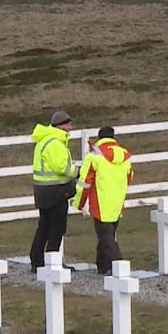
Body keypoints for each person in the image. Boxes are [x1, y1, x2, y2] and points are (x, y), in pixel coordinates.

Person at [73, 126, 133, 275]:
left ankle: (119, 266)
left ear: (99, 138)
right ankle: (102, 266)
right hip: (117, 201)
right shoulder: (124, 157)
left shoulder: (94, 157)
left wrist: (79, 203)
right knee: (108, 234)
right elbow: (129, 177)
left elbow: (84, 182)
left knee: (106, 237)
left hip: (100, 201)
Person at [29, 110, 79, 271]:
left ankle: (37, 261)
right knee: (57, 227)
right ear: (62, 125)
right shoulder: (55, 143)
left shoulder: (44, 140)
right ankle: (53, 262)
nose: (70, 128)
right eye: (69, 124)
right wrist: (78, 171)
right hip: (55, 191)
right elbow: (61, 167)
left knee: (44, 226)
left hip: (42, 190)